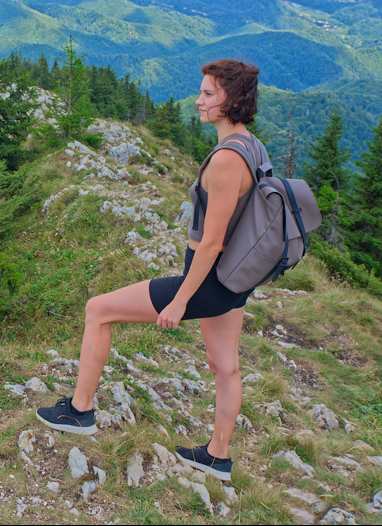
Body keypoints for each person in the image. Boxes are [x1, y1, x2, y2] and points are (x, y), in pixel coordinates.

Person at [36, 59, 266, 482]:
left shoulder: (227, 160)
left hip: (208, 282)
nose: (198, 101)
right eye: (201, 91)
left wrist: (181, 300)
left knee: (98, 309)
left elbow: (212, 242)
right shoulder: (252, 145)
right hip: (235, 281)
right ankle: (217, 456)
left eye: (208, 94)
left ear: (231, 100)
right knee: (225, 367)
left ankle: (80, 410)